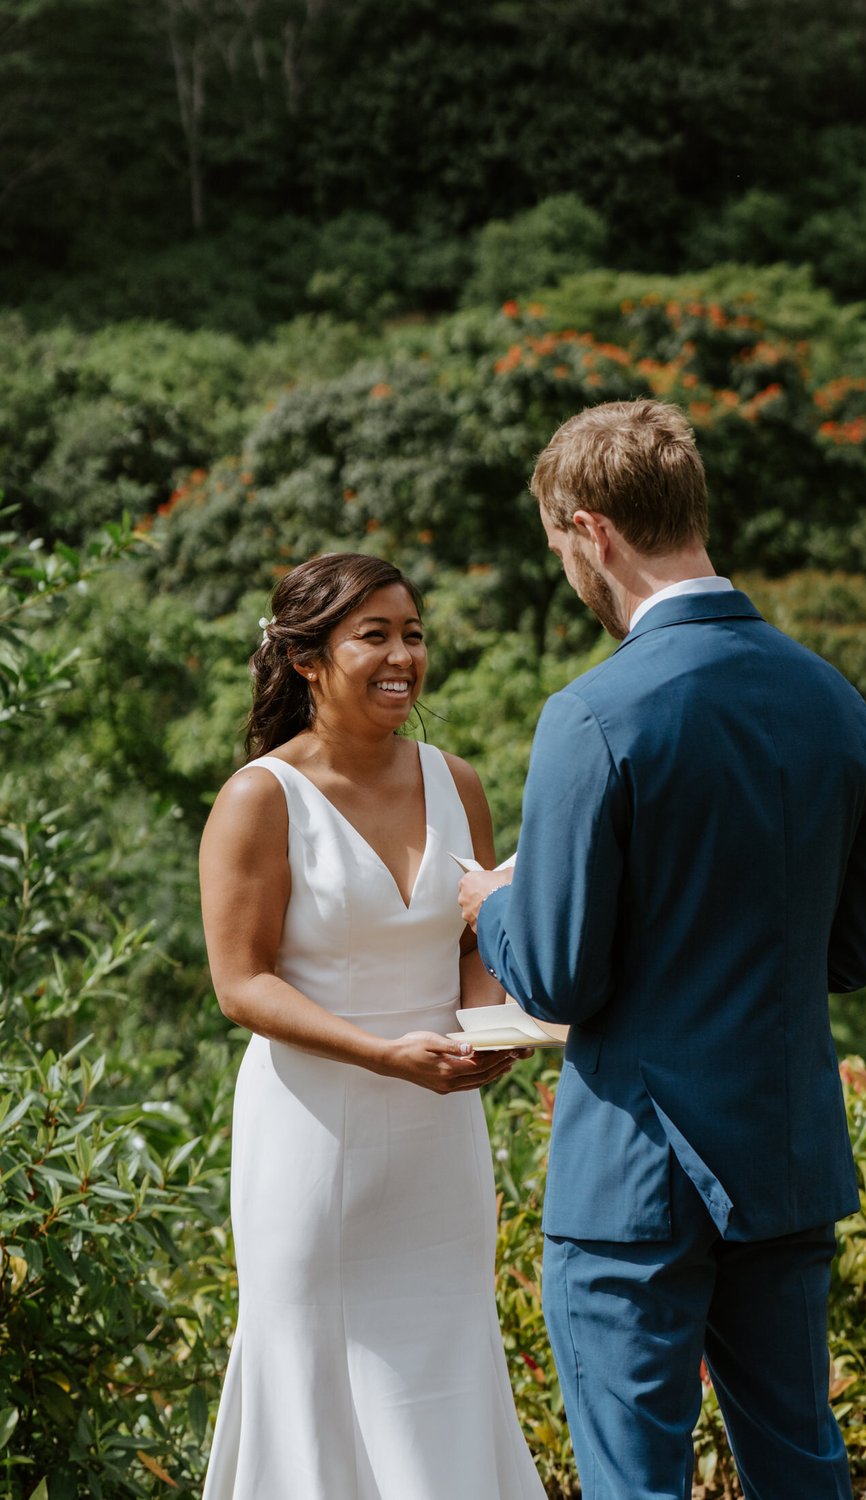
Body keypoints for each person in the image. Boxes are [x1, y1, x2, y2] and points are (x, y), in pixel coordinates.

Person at [458, 399, 866, 1500]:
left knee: (633, 1485)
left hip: (635, 1179)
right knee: (802, 1467)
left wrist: (487, 904)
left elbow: (554, 976)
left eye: (560, 547)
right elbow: (847, 957)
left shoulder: (593, 716)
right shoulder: (834, 704)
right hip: (787, 1160)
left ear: (590, 531)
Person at [199, 552, 545, 1500]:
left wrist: (495, 1029)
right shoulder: (259, 798)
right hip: (314, 1140)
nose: (404, 656)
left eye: (414, 635)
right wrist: (382, 1056)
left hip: (440, 1139)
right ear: (309, 658)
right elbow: (241, 985)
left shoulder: (456, 782)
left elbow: (475, 945)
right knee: (313, 1365)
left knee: (447, 1358)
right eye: (375, 635)